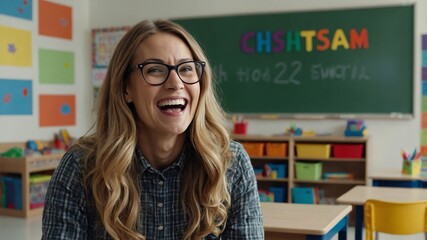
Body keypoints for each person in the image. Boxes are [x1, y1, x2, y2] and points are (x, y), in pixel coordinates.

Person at [42, 19, 264, 240]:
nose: (176, 83)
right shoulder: (80, 167)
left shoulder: (231, 163)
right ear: (125, 88)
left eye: (186, 68)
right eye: (155, 70)